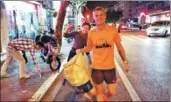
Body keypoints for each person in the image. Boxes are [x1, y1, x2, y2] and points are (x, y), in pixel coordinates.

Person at [76, 7, 129, 101]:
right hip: (97, 68)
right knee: (99, 93)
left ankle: (103, 96)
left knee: (112, 92)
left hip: (110, 67)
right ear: (93, 17)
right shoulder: (91, 33)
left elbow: (119, 47)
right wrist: (80, 50)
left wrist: (125, 61)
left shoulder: (113, 30)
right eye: (96, 15)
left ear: (105, 16)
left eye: (101, 15)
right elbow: (89, 47)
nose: (99, 17)